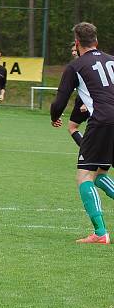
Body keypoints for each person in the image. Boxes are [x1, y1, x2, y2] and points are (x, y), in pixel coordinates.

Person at [50, 22, 114, 244]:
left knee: (84, 176)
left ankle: (100, 233)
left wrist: (54, 116)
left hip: (102, 121)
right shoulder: (112, 60)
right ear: (96, 40)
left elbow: (60, 100)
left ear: (77, 42)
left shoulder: (76, 66)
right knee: (100, 174)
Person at [67, 42, 90, 147]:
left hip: (90, 101)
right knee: (72, 127)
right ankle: (88, 151)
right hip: (84, 99)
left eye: (75, 50)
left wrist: (87, 103)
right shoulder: (76, 65)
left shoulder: (84, 65)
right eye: (72, 51)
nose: (73, 53)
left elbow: (94, 85)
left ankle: (88, 152)